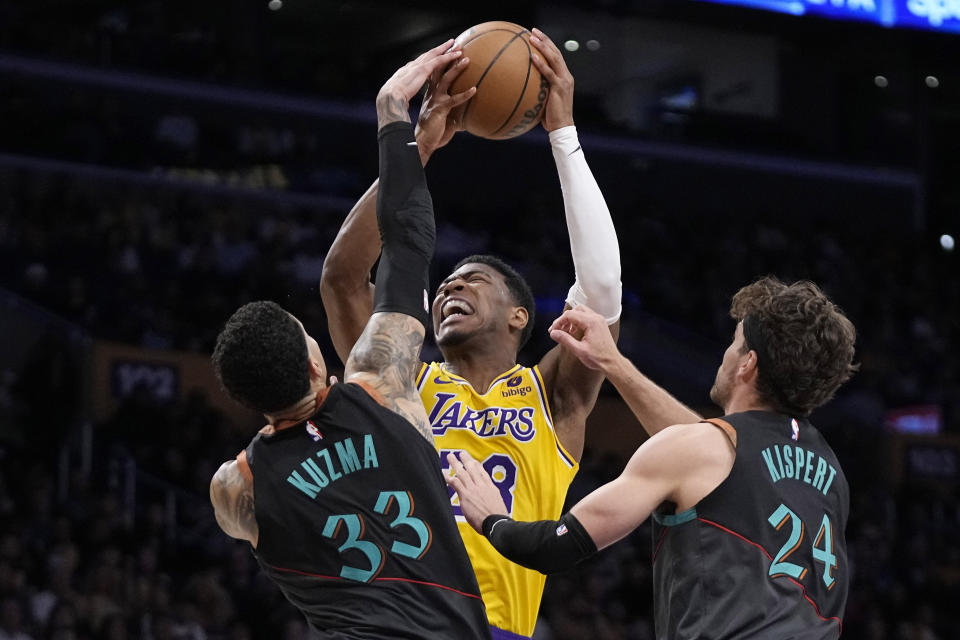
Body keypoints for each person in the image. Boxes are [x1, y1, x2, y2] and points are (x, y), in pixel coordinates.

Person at [319, 28, 701, 639]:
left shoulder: (553, 396)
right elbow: (343, 278)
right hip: (389, 620)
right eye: (444, 283)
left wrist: (564, 135)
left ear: (521, 316)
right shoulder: (398, 381)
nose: (448, 288)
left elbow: (602, 291)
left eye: (470, 279)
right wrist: (413, 149)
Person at [208, 41, 491, 640]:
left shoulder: (238, 485)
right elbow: (408, 251)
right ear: (318, 366)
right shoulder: (382, 386)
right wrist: (397, 123)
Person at [446, 278, 858, 639]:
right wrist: (611, 363)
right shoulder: (830, 471)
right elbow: (710, 451)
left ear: (747, 364)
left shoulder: (701, 451)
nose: (725, 355)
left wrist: (493, 519)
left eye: (734, 345)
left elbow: (555, 549)